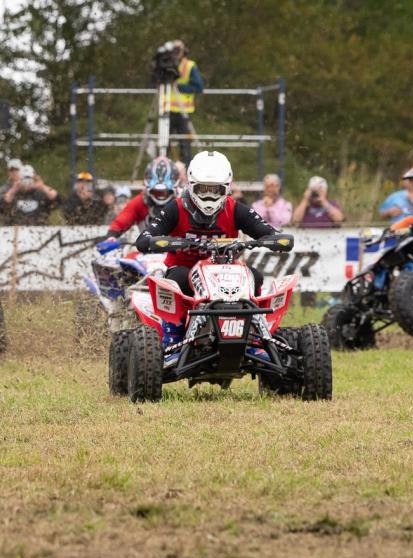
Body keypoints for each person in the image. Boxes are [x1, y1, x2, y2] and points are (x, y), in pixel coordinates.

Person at [135, 151, 285, 348]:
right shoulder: (176, 207)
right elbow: (144, 238)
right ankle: (173, 335)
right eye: (203, 189)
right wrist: (154, 241)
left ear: (226, 188)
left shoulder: (235, 209)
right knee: (177, 279)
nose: (209, 195)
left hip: (226, 271)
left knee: (254, 276)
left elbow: (266, 231)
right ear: (191, 185)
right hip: (184, 270)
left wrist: (275, 239)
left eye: (215, 190)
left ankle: (256, 333)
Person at [106, 157, 176, 239]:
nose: (161, 196)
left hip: (178, 250)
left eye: (165, 192)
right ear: (148, 188)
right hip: (147, 249)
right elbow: (122, 220)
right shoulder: (140, 201)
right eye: (156, 192)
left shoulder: (181, 202)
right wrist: (111, 236)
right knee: (130, 252)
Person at [163, 40, 204, 163]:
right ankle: (162, 168)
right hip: (167, 111)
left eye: (177, 50)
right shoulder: (165, 66)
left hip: (183, 111)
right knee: (164, 143)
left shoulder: (189, 66)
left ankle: (186, 170)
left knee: (185, 144)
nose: (175, 53)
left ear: (183, 51)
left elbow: (198, 87)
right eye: (172, 50)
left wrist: (179, 88)